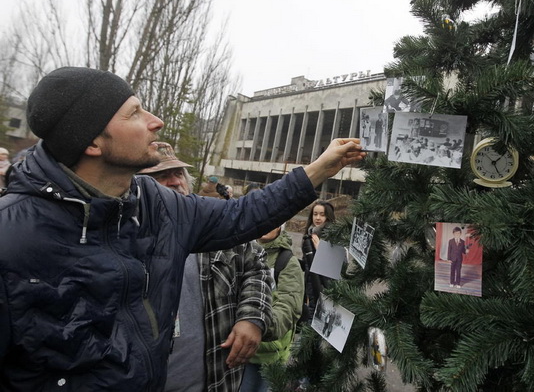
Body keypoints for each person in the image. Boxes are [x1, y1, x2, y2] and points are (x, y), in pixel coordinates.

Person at [0, 66, 365, 391]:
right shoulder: (11, 235)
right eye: (135, 113)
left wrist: (318, 169)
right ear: (93, 142)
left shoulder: (156, 203)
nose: (155, 120)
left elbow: (241, 215)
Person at [139, 142, 271, 392]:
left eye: (178, 174)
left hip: (215, 381)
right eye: (161, 176)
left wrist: (253, 316)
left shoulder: (214, 222)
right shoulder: (124, 234)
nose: (174, 182)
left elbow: (257, 266)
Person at [240, 224, 304, 392]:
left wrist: (257, 326)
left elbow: (288, 307)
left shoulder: (287, 262)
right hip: (237, 350)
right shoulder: (240, 251)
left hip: (268, 357)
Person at [302, 200, 336, 321]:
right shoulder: (310, 235)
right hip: (309, 292)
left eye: (322, 214)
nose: (318, 218)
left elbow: (337, 270)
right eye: (315, 214)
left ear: (328, 216)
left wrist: (321, 250)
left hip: (324, 294)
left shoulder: (334, 237)